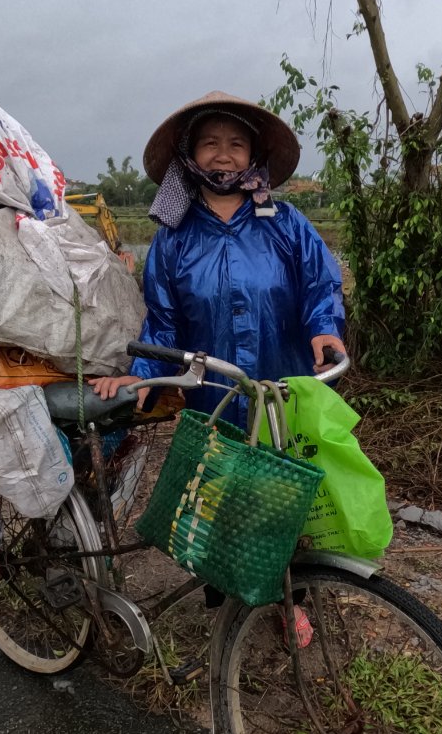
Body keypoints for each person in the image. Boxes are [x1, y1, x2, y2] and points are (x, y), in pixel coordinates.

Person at [90, 91, 347, 646]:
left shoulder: (285, 223)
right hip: (213, 398)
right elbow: (162, 321)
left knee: (284, 499)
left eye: (235, 144)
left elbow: (319, 286)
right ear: (190, 156)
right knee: (219, 499)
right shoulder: (173, 239)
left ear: (253, 156)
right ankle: (224, 609)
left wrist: (324, 327)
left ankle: (287, 600)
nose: (223, 156)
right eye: (211, 144)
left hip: (283, 393)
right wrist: (141, 371)